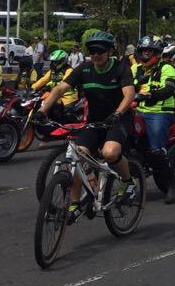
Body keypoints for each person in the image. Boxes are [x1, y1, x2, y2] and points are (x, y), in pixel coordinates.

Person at [37, 31, 136, 213]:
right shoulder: (84, 68)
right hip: (94, 121)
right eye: (92, 51)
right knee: (78, 155)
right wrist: (43, 110)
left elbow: (129, 95)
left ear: (110, 51)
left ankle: (128, 181)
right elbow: (59, 89)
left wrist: (117, 113)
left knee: (109, 153)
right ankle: (75, 203)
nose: (95, 55)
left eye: (100, 51)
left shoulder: (121, 68)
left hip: (118, 119)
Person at [133, 35, 175, 204]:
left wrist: (149, 95)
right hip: (137, 110)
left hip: (160, 112)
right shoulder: (136, 69)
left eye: (149, 51)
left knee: (157, 151)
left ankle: (171, 185)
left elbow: (169, 89)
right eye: (143, 51)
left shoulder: (167, 68)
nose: (145, 54)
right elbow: (125, 86)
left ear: (157, 53)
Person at [31, 48, 79, 121]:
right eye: (52, 62)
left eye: (55, 62)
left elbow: (64, 83)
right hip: (55, 94)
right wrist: (33, 87)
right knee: (40, 101)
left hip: (67, 97)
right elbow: (43, 79)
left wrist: (49, 86)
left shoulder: (69, 70)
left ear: (62, 61)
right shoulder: (52, 71)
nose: (53, 64)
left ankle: (57, 122)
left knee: (57, 108)